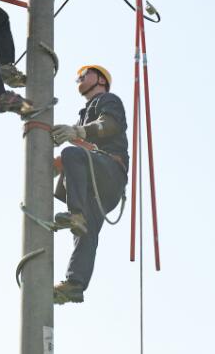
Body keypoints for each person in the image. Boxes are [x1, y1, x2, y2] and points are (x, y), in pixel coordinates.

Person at [51, 64, 128, 304]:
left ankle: (76, 215)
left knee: (72, 154)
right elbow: (83, 148)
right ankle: (75, 285)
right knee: (86, 233)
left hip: (110, 173)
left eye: (84, 75)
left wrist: (78, 132)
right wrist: (47, 166)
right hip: (96, 186)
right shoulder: (84, 113)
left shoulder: (108, 100)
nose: (79, 79)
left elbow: (110, 125)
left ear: (101, 80)